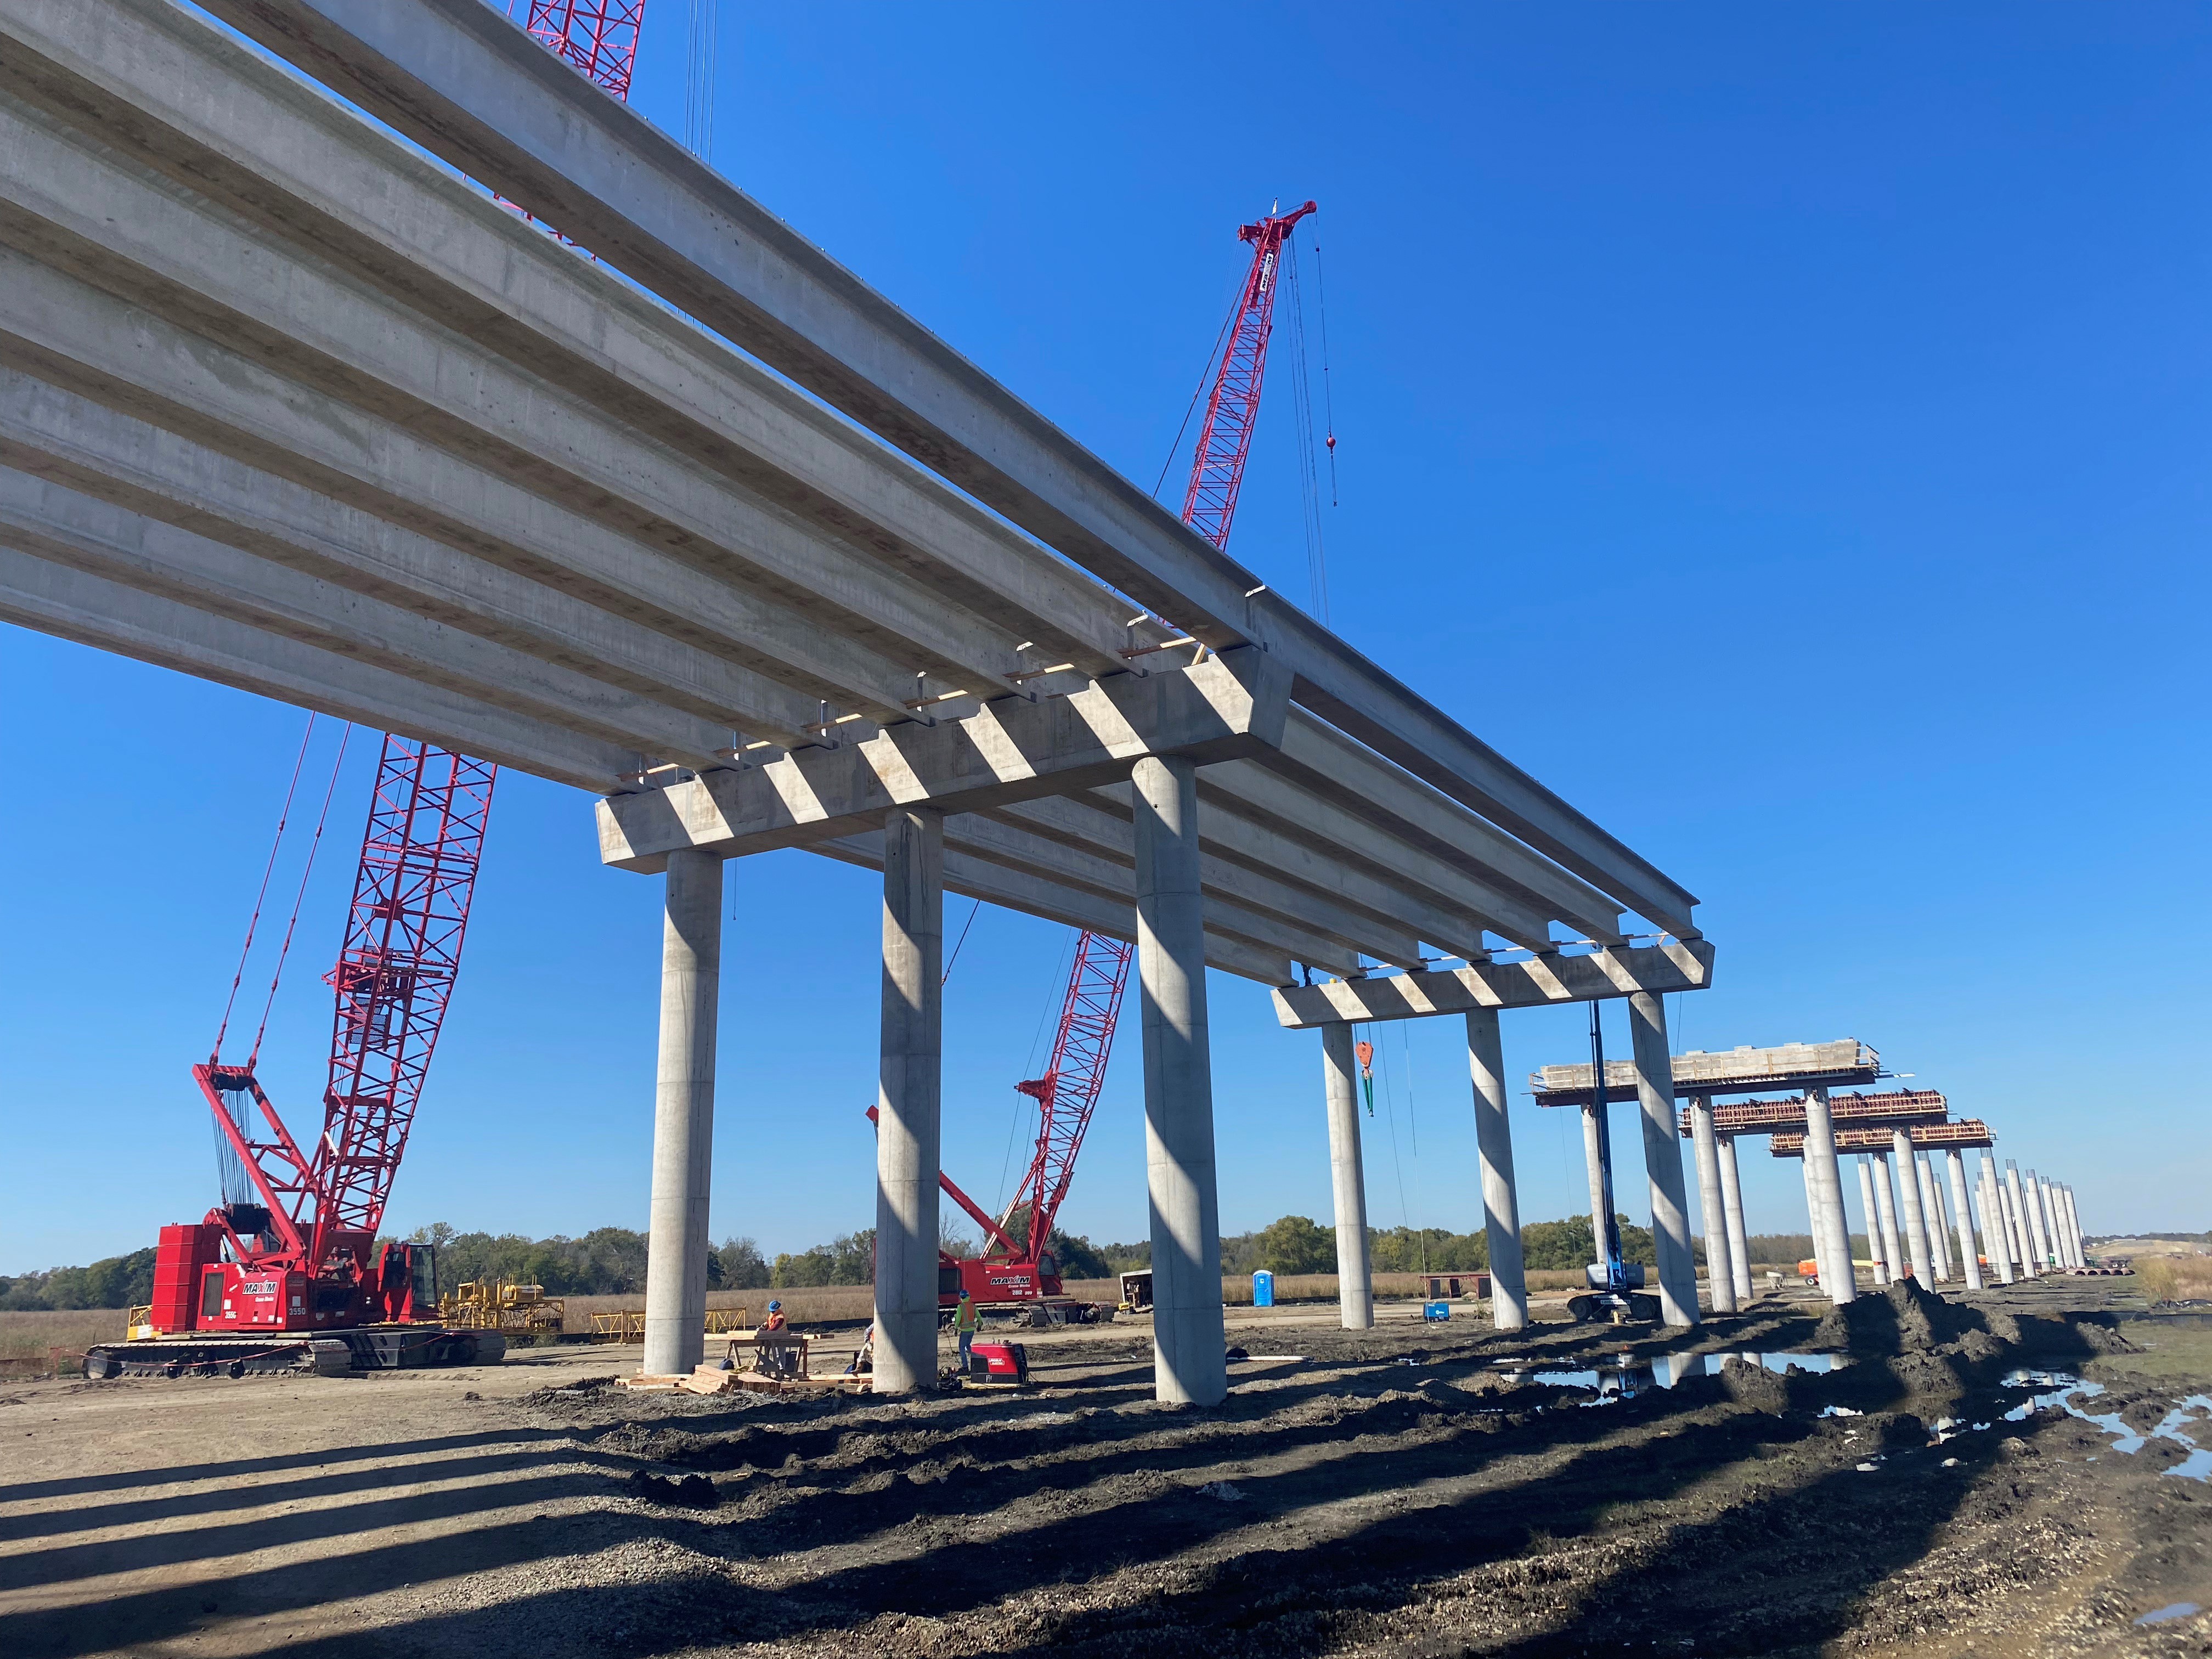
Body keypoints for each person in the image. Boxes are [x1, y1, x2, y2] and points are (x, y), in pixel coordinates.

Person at [953, 1289, 979, 1368]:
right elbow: (979, 1317)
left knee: (962, 1347)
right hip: (972, 1331)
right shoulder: (973, 1306)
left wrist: (956, 1329)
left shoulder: (960, 1307)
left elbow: (958, 1319)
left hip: (964, 1331)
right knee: (968, 1346)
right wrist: (980, 1326)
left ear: (961, 1297)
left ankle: (965, 1366)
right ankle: (975, 1362)